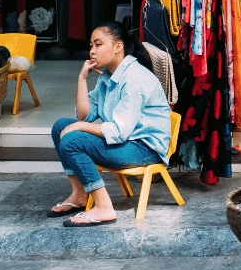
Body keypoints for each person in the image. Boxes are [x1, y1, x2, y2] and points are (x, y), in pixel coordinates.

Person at [47, 22, 172, 227]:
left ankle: (104, 206)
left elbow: (118, 131)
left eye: (98, 45)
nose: (92, 51)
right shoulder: (108, 76)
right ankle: (79, 195)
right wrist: (81, 79)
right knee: (61, 126)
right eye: (91, 46)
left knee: (72, 139)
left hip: (144, 148)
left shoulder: (134, 78)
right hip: (125, 142)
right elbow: (84, 117)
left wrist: (78, 128)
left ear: (118, 46)